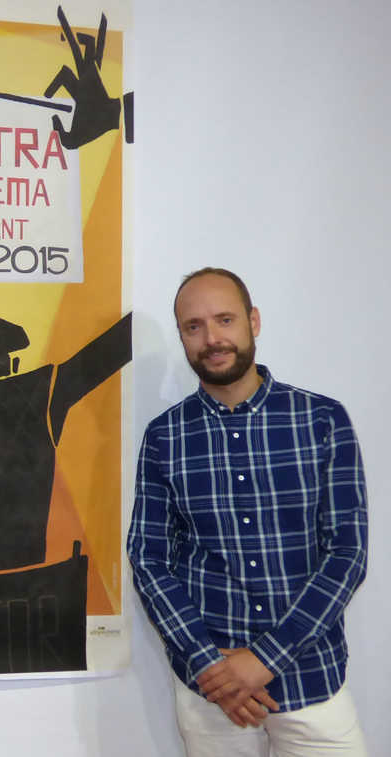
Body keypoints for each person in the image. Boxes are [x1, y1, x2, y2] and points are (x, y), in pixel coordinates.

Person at [128, 268, 368, 756]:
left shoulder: (322, 420)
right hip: (210, 693)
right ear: (182, 336)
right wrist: (207, 663)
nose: (212, 339)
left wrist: (264, 659)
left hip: (311, 679)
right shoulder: (164, 437)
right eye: (194, 326)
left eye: (225, 319)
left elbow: (347, 553)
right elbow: (149, 560)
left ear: (253, 321)